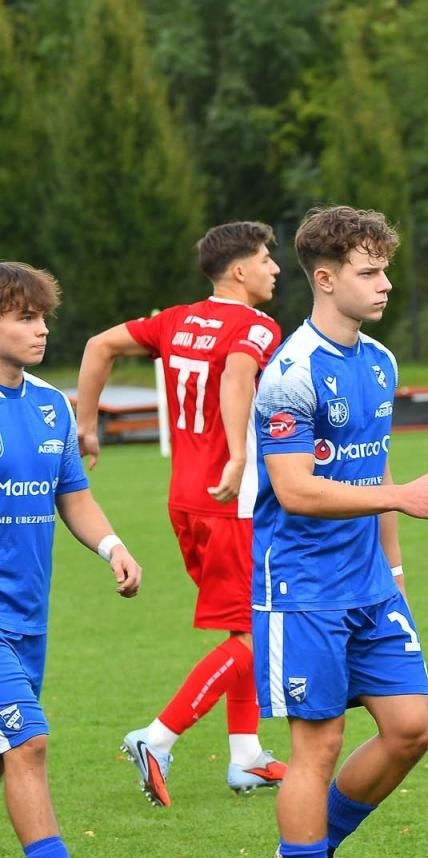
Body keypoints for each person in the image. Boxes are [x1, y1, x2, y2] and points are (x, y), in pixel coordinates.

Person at [254, 206, 428, 858]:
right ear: (325, 278)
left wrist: (397, 562)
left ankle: (308, 854)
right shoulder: (289, 374)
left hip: (370, 583)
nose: (385, 284)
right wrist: (401, 499)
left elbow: (370, 465)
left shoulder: (378, 362)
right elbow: (295, 490)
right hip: (304, 588)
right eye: (369, 271)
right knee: (316, 746)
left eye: (386, 268)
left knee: (412, 729)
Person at [75, 221, 288, 805]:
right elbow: (240, 373)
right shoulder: (257, 326)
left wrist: (86, 423)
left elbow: (98, 346)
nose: (274, 268)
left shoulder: (178, 320)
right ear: (239, 270)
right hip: (231, 500)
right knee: (259, 631)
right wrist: (241, 454)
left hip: (186, 499)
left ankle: (246, 755)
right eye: (266, 258)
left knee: (243, 624)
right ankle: (158, 737)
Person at [0, 261, 142, 858]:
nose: (41, 329)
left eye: (44, 317)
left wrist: (111, 546)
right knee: (28, 744)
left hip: (30, 620)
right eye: (25, 316)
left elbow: (73, 495)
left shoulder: (51, 406)